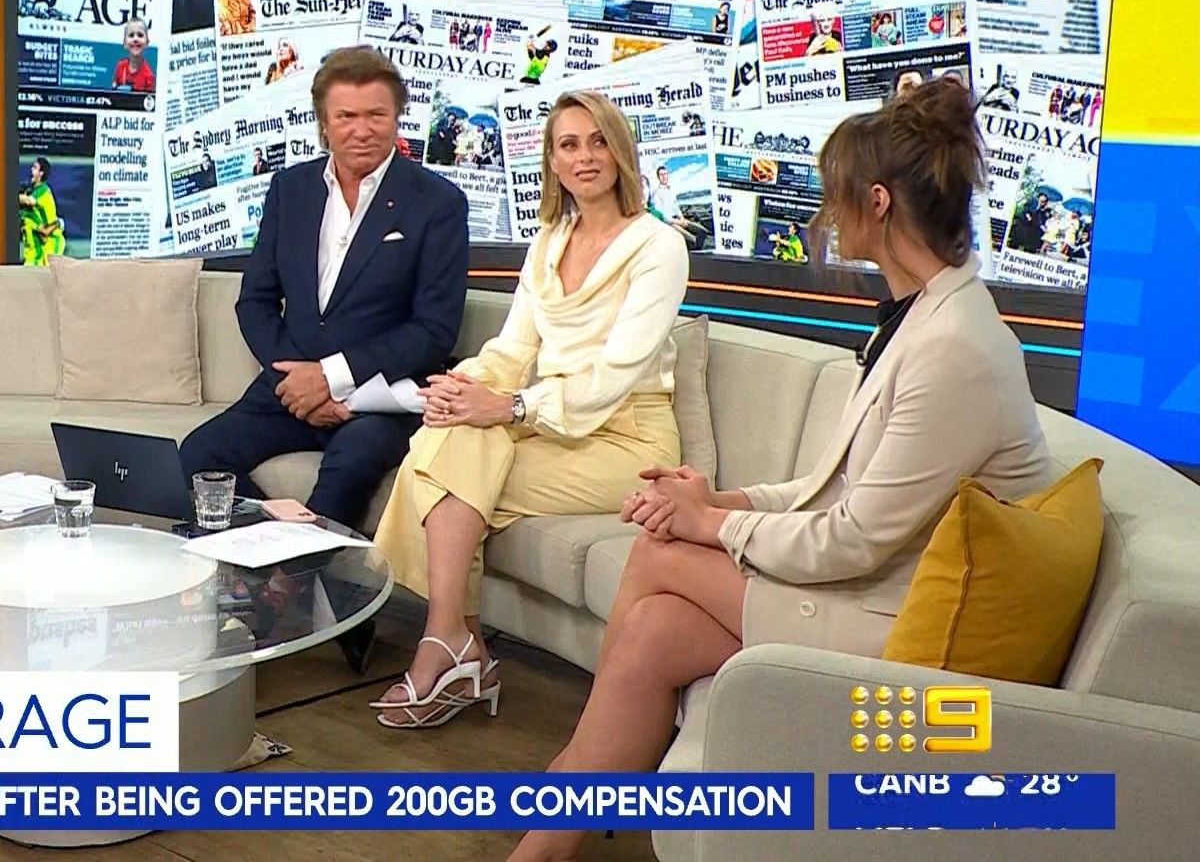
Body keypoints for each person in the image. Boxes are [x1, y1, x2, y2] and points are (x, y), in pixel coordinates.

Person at [508, 75, 1053, 861]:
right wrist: (723, 499)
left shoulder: (957, 349)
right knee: (656, 628)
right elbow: (835, 485)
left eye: (834, 195)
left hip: (903, 625)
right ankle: (563, 820)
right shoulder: (923, 319)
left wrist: (709, 524)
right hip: (879, 584)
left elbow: (853, 539)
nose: (824, 215)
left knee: (662, 553)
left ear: (876, 203)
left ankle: (562, 795)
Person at [369, 90, 688, 730]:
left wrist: (510, 405)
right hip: (554, 425)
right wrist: (462, 387)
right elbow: (512, 349)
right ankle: (456, 645)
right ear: (552, 160)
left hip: (629, 439)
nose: (585, 156)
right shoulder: (548, 241)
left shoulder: (658, 246)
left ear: (620, 152)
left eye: (598, 142)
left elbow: (614, 374)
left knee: (449, 468)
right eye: (569, 144)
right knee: (453, 440)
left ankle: (452, 645)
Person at [179, 46, 469, 532]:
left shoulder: (438, 202)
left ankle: (304, 575)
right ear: (323, 123)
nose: (362, 129)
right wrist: (297, 383)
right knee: (198, 458)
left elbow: (433, 330)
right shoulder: (291, 189)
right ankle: (274, 554)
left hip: (381, 397)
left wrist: (330, 379)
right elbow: (255, 301)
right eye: (346, 116)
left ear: (397, 117)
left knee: (348, 468)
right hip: (288, 388)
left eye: (376, 115)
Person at [19, 157, 65, 266]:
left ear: (41, 173)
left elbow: (29, 201)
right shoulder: (28, 208)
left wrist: (58, 223)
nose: (31, 169)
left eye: (35, 167)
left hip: (52, 240)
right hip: (39, 246)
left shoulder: (43, 190)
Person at [111, 18, 155, 92]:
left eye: (140, 35)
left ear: (147, 43)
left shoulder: (149, 76)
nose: (135, 39)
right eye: (131, 35)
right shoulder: (120, 67)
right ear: (124, 43)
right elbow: (114, 91)